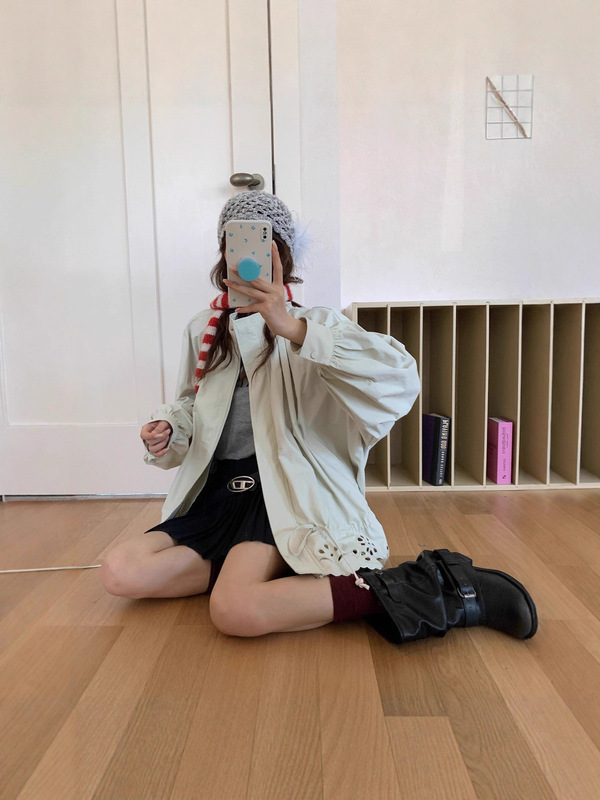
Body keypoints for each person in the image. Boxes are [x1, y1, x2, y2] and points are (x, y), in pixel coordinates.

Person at [100, 191, 537, 644]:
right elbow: (192, 403)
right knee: (120, 571)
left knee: (234, 610)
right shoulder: (204, 328)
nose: (248, 260)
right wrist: (171, 428)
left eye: (263, 246)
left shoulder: (315, 324)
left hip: (284, 489)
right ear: (223, 254)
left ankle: (436, 586)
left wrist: (291, 328)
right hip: (219, 491)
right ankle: (273, 572)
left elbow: (398, 377)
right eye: (235, 244)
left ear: (283, 256)